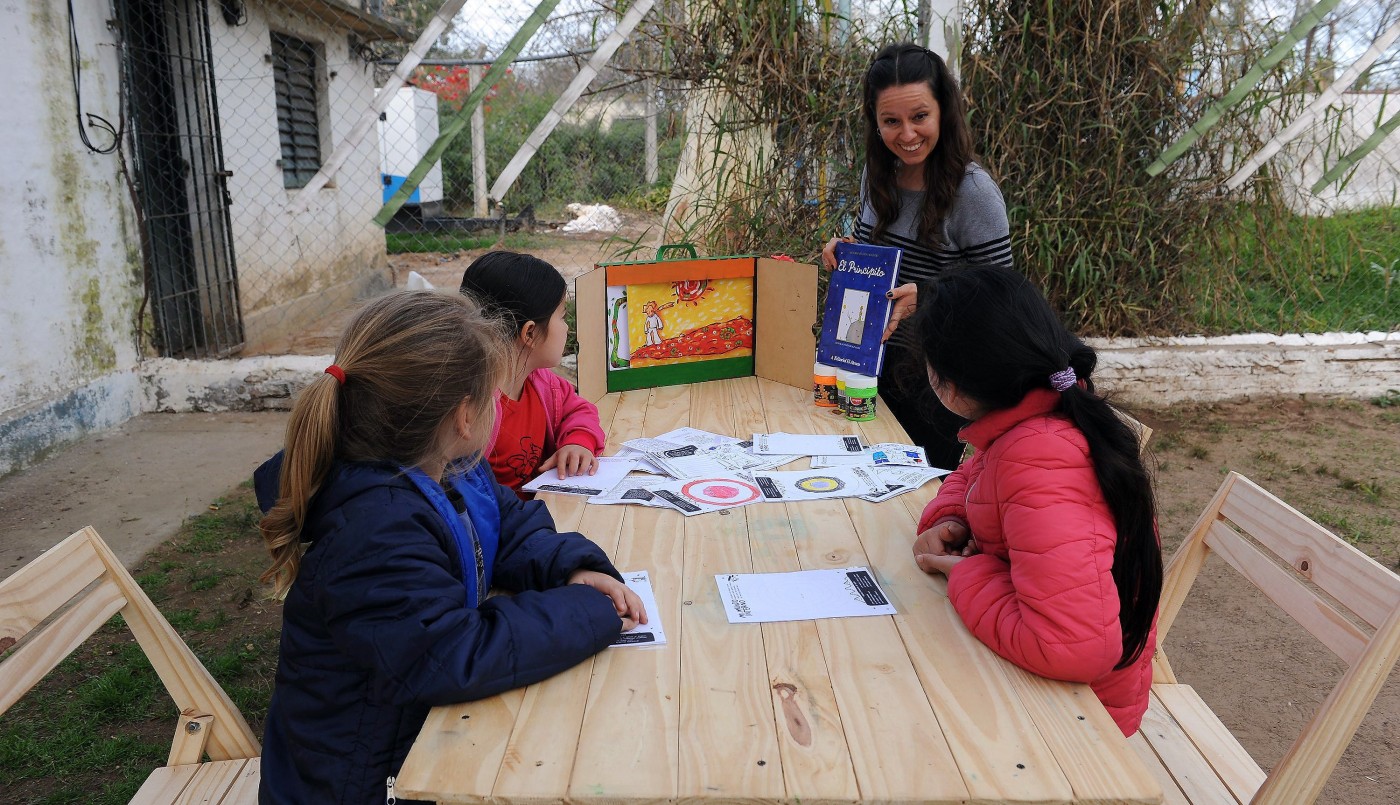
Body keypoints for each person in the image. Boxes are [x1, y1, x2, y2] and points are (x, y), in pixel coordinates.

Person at [254, 290, 645, 803]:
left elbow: (507, 522)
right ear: (465, 416)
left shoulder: (446, 466)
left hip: (411, 740)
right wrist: (588, 612)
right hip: (360, 780)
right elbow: (449, 653)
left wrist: (569, 567)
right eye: (495, 394)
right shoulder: (375, 530)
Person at [908, 265, 1161, 737]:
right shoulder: (1037, 409)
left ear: (949, 383)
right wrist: (950, 516)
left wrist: (968, 572)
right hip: (1045, 689)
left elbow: (1075, 647)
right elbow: (976, 469)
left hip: (1077, 725)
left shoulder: (1041, 455)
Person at [822, 42, 1012, 469]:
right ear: (875, 122)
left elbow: (1001, 299)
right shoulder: (877, 175)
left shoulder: (973, 192)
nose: (907, 135)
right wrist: (846, 252)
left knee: (915, 508)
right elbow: (877, 263)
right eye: (891, 121)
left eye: (919, 117)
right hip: (864, 365)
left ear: (943, 110)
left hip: (935, 386)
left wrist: (926, 298)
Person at [459, 251, 606, 495]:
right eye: (562, 317)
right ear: (529, 333)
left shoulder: (542, 383)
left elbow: (579, 409)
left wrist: (578, 442)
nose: (567, 327)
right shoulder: (475, 412)